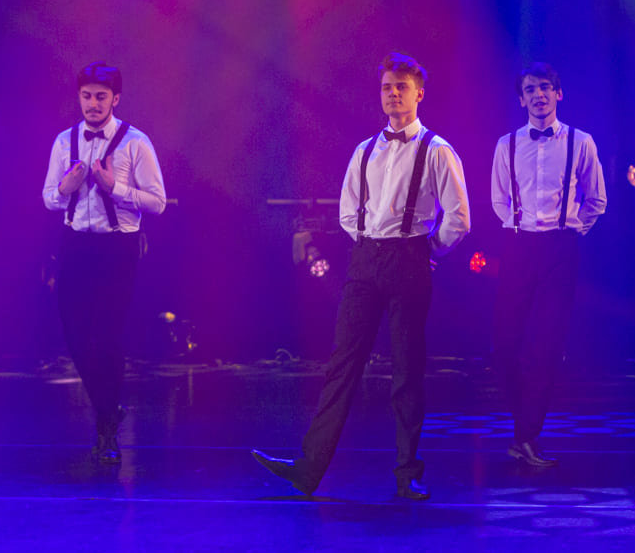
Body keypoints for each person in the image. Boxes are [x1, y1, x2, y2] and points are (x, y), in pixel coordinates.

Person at [252, 52, 470, 499]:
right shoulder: (365, 150)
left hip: (410, 259)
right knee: (342, 366)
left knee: (407, 371)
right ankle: (308, 469)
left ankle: (407, 474)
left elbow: (459, 218)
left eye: (401, 87)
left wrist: (428, 250)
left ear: (419, 94)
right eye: (387, 87)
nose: (393, 94)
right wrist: (369, 244)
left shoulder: (438, 150)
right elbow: (348, 212)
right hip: (366, 260)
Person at [42, 61, 166, 464]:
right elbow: (49, 197)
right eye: (86, 96)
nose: (92, 104)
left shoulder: (136, 142)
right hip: (75, 245)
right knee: (75, 337)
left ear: (116, 99)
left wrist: (116, 188)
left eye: (100, 97)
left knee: (107, 338)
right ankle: (108, 408)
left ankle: (106, 429)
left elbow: (158, 202)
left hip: (117, 249)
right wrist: (66, 187)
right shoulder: (64, 141)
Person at [490, 62, 607, 467]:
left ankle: (526, 435)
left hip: (560, 249)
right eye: (530, 89)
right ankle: (522, 427)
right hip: (518, 246)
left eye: (545, 87)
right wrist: (519, 227)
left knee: (546, 343)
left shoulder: (581, 142)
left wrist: (570, 230)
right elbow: (499, 199)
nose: (538, 95)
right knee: (505, 343)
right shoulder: (506, 144)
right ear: (520, 99)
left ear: (559, 93)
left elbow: (596, 199)